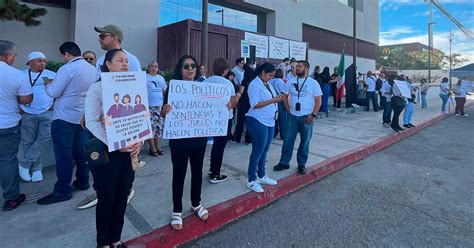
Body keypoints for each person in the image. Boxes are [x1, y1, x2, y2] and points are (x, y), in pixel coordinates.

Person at [85, 48, 141, 248]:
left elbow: (139, 118)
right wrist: (116, 143)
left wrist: (138, 142)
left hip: (128, 153)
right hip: (106, 152)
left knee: (122, 196)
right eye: (120, 60)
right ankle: (103, 243)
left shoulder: (134, 87)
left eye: (127, 60)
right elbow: (91, 121)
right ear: (108, 64)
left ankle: (116, 239)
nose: (125, 64)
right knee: (106, 198)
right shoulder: (97, 88)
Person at [36, 42, 96, 205]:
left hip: (64, 118)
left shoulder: (66, 69)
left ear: (67, 54)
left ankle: (62, 190)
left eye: (63, 56)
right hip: (82, 117)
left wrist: (48, 84)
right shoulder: (93, 69)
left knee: (64, 156)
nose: (63, 59)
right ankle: (83, 181)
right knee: (81, 152)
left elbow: (54, 92)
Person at [161, 55, 209, 230]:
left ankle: (196, 203)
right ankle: (177, 210)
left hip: (199, 139)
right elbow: (162, 113)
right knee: (179, 174)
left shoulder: (203, 88)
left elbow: (212, 108)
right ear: (180, 69)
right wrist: (164, 111)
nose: (190, 69)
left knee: (197, 172)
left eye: (193, 66)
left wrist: (228, 103)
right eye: (186, 66)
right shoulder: (172, 89)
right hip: (179, 141)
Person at [0, 40, 33, 211]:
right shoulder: (17, 74)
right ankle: (11, 198)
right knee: (7, 161)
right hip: (7, 125)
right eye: (14, 55)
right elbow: (27, 99)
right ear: (8, 55)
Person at [274, 61, 322, 174]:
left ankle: (301, 164)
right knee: (288, 140)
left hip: (307, 117)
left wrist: (313, 115)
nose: (297, 69)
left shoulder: (313, 83)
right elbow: (285, 96)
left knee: (305, 141)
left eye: (300, 67)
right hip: (293, 116)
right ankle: (284, 162)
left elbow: (318, 101)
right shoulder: (290, 81)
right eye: (296, 67)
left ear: (306, 68)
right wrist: (288, 109)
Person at [246, 62, 287, 193]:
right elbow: (255, 104)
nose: (271, 78)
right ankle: (252, 179)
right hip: (258, 120)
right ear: (262, 73)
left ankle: (262, 175)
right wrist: (274, 100)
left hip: (269, 121)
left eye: (272, 75)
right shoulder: (254, 84)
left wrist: (279, 98)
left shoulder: (267, 83)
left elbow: (270, 98)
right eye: (269, 75)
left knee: (265, 149)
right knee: (258, 150)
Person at [18, 51, 56, 183]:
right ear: (29, 62)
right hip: (27, 112)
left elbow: (59, 91)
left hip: (47, 112)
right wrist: (18, 108)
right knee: (28, 141)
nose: (42, 63)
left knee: (46, 136)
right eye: (39, 60)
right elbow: (14, 92)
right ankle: (36, 169)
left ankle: (24, 164)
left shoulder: (51, 75)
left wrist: (55, 104)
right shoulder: (21, 75)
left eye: (44, 61)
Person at [204, 58, 237, 184]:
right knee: (219, 146)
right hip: (223, 119)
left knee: (214, 146)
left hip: (208, 118)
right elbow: (233, 102)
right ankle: (215, 174)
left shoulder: (206, 81)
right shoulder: (227, 83)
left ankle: (213, 169)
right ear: (225, 70)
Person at [146, 60, 167, 156]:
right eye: (152, 66)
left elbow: (164, 91)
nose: (154, 68)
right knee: (149, 128)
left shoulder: (161, 78)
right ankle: (152, 148)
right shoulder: (144, 77)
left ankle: (158, 147)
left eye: (156, 66)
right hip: (148, 107)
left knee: (158, 127)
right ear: (148, 68)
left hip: (159, 107)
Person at [232, 61, 254, 144]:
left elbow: (241, 91)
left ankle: (236, 138)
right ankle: (249, 139)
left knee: (240, 121)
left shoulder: (245, 81)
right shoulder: (254, 81)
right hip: (250, 103)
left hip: (243, 102)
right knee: (249, 122)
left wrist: (237, 97)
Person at [270, 68, 288, 140]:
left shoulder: (271, 81)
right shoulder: (279, 81)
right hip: (280, 101)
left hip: (272, 101)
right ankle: (283, 135)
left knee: (275, 119)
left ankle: (273, 133)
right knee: (282, 119)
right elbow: (283, 92)